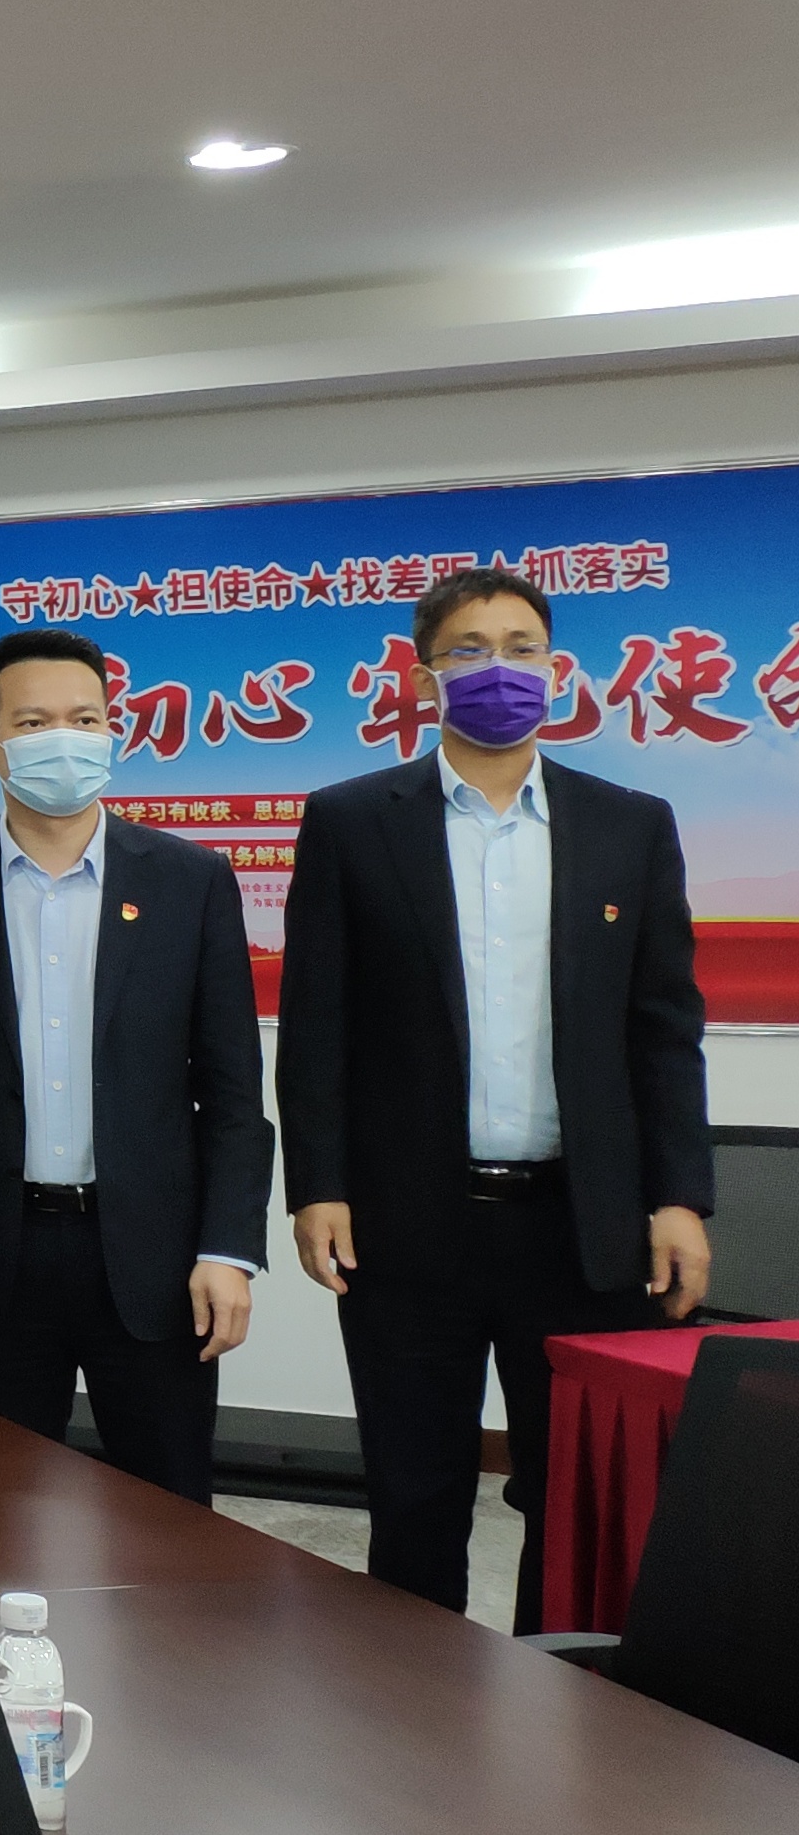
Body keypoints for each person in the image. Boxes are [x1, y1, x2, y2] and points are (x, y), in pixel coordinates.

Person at [279, 568, 714, 1627]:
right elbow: (317, 1022)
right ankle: (412, 1705)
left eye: (522, 648)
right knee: (414, 1492)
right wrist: (318, 1184)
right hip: (407, 1222)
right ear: (423, 675)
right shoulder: (351, 821)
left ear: (555, 668)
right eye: (469, 649)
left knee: (572, 1499)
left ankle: (559, 1699)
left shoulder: (627, 824)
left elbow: (662, 1028)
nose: (500, 670)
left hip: (580, 1225)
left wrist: (677, 1197)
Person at [0, 630, 273, 1502]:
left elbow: (232, 1089)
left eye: (84, 719)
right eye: (34, 722)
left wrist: (228, 1248)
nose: (64, 739)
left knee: (167, 1513)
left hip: (154, 1259)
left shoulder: (188, 880)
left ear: (112, 733)